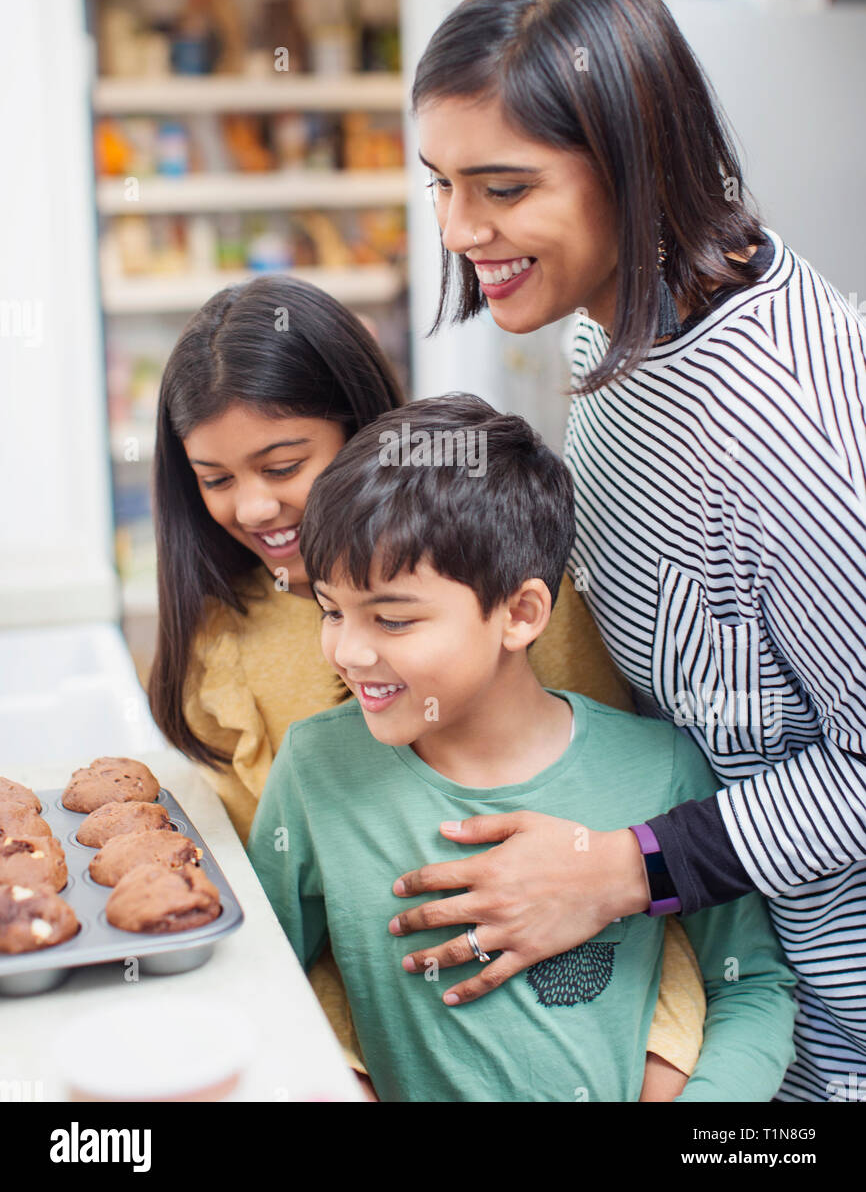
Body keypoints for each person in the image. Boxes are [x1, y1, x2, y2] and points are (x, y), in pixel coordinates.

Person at [392, 0, 866, 1102]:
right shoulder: (607, 331)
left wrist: (621, 868)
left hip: (826, 1024)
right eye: (439, 182)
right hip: (716, 963)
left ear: (633, 163)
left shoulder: (787, 425)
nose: (457, 228)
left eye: (502, 188)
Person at [146, 274, 701, 1099]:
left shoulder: (518, 605)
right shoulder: (219, 646)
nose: (254, 505)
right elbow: (286, 926)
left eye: (284, 463)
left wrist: (657, 1075)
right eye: (214, 478)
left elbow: (638, 847)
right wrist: (348, 1071)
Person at [246, 394, 797, 1102]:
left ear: (521, 614)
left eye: (391, 619)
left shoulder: (660, 767)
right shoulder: (316, 770)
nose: (347, 651)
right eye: (331, 611)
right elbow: (258, 984)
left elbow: (751, 986)